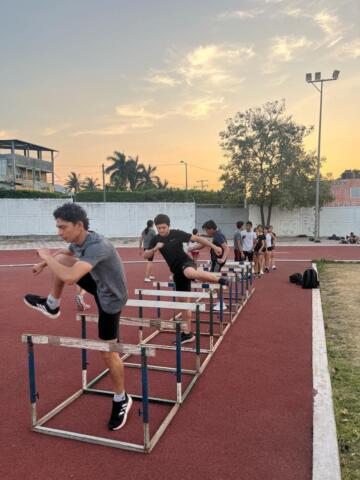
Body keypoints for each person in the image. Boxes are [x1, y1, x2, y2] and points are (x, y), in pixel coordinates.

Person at [23, 203, 131, 431]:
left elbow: (71, 278)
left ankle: (122, 399)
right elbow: (65, 253)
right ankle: (52, 305)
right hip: (98, 285)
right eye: (57, 228)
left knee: (107, 353)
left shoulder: (97, 245)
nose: (58, 232)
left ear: (78, 225)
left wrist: (45, 255)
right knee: (61, 260)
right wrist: (43, 263)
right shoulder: (78, 240)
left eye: (62, 228)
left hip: (111, 299)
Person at [144, 214, 229, 344]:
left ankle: (219, 280)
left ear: (169, 226)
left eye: (164, 227)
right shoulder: (156, 239)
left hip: (186, 262)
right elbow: (146, 254)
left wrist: (214, 247)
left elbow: (197, 238)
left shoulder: (176, 233)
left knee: (189, 273)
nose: (161, 230)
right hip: (176, 272)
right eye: (159, 228)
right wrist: (155, 248)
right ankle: (187, 334)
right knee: (184, 305)